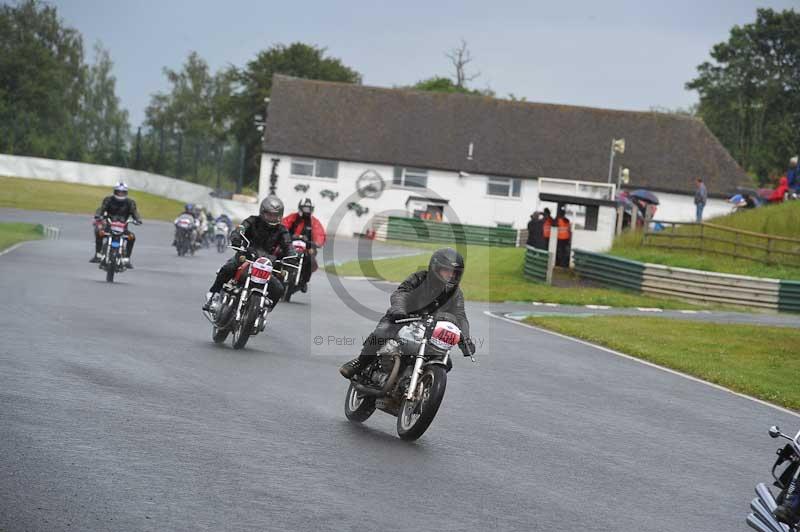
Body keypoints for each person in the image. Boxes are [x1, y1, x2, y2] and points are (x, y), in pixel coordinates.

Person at [339, 248, 476, 379]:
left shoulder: (456, 294)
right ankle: (360, 362)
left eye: (454, 273)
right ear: (436, 268)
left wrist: (466, 339)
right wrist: (399, 310)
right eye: (446, 271)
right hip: (403, 319)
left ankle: (419, 384)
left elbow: (460, 316)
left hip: (430, 329)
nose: (451, 275)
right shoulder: (420, 278)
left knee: (446, 362)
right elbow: (401, 293)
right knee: (381, 334)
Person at [203, 195, 292, 312]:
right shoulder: (252, 221)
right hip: (246, 256)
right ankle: (213, 294)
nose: (272, 218)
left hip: (265, 263)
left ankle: (264, 309)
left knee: (279, 288)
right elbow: (240, 229)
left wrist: (292, 255)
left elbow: (288, 245)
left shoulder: (282, 230)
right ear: (262, 212)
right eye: (269, 214)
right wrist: (236, 238)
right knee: (228, 268)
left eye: (275, 215)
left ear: (280, 216)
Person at [91, 182, 142, 267]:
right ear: (115, 191)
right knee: (99, 233)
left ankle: (126, 259)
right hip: (109, 226)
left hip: (123, 228)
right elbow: (102, 208)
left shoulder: (130, 202)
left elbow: (135, 212)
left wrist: (138, 219)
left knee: (132, 237)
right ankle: (98, 255)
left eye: (122, 192)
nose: (120, 194)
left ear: (126, 193)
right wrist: (98, 215)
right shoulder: (108, 199)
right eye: (118, 192)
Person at [281, 198, 326, 292]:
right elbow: (283, 225)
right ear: (300, 208)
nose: (306, 211)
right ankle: (277, 273)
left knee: (311, 259)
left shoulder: (314, 222)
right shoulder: (293, 217)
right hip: (290, 244)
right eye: (305, 208)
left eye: (308, 209)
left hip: (307, 247)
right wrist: (284, 235)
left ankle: (304, 280)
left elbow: (319, 233)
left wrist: (318, 242)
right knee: (278, 252)